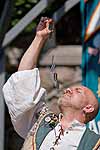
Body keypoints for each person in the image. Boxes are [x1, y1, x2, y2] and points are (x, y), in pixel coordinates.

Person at [3, 17, 100, 150]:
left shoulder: (93, 144)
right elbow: (23, 80)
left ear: (88, 108)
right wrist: (39, 38)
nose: (68, 90)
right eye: (70, 89)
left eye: (78, 91)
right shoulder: (38, 124)